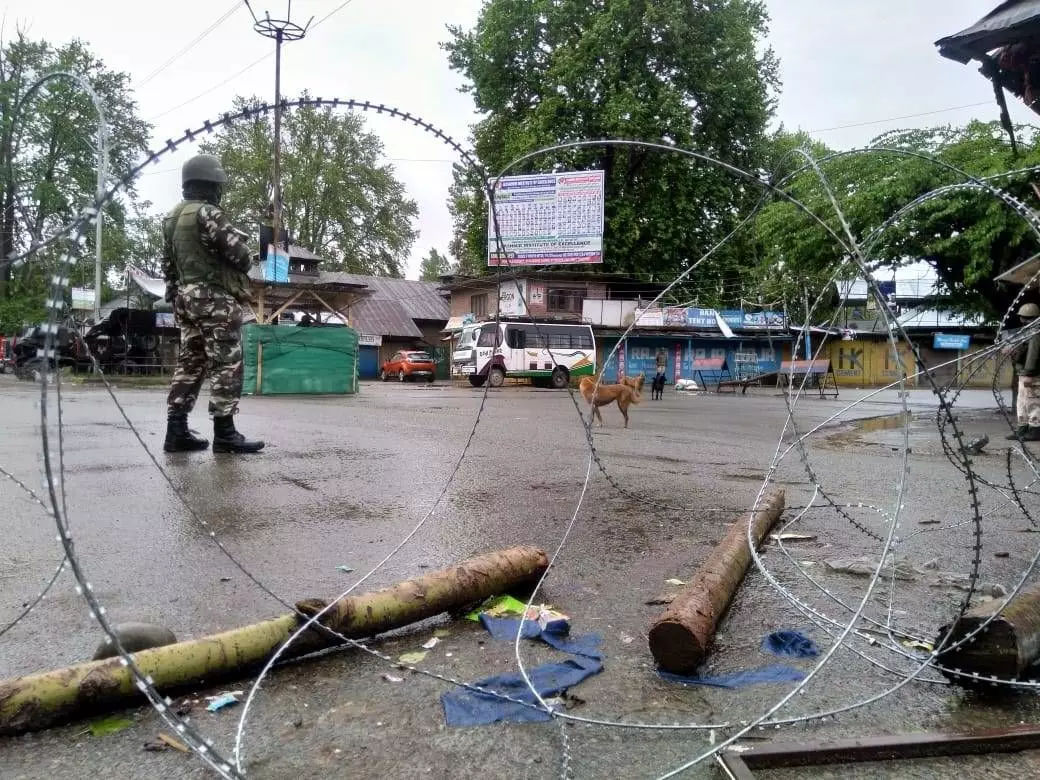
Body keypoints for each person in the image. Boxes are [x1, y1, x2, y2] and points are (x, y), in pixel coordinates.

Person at [162, 153, 264, 454]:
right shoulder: (208, 213)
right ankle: (225, 433)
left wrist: (176, 293)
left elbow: (167, 265)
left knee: (190, 363)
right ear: (210, 184)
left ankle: (176, 431)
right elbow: (242, 258)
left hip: (184, 298)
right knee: (226, 363)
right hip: (214, 301)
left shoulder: (171, 217)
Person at [1009, 302, 1040, 441]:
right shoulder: (1028, 330)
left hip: (1032, 374)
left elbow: (1033, 353)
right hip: (1024, 373)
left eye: (1023, 317)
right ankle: (1022, 429)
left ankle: (1035, 430)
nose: (1022, 320)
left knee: (1033, 402)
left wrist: (1028, 372)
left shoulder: (1035, 331)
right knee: (1022, 402)